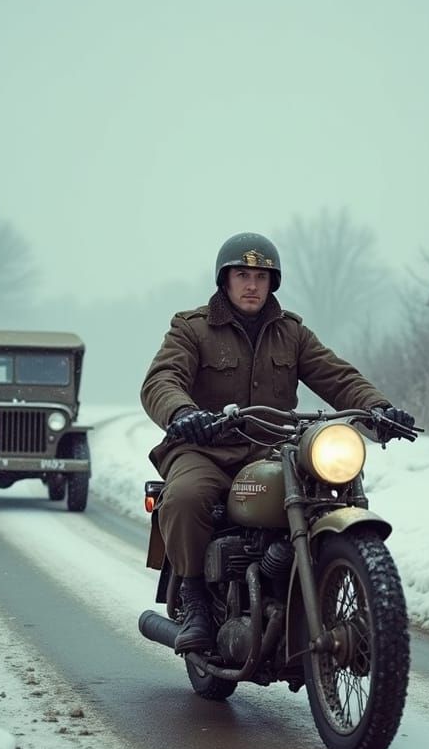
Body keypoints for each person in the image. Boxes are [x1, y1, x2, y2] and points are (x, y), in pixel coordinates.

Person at [140, 231, 414, 654]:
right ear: (225, 280)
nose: (252, 284)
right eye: (242, 274)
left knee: (327, 496)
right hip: (206, 448)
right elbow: (162, 380)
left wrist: (378, 409)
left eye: (261, 276)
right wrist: (183, 414)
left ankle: (317, 590)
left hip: (273, 450)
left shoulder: (292, 334)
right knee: (186, 496)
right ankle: (195, 601)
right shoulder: (192, 328)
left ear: (273, 283)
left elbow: (338, 377)